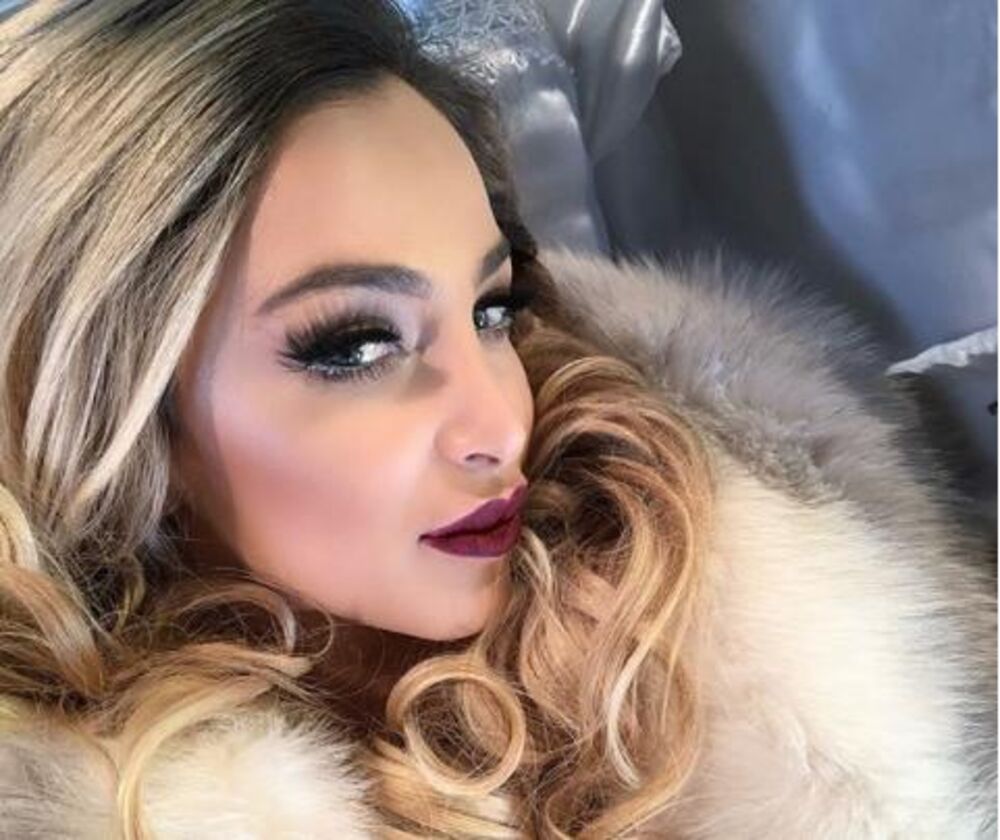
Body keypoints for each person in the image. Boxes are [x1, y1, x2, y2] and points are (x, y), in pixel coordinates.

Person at [0, 1, 993, 838]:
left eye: (493, 310)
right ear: (99, 404)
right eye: (355, 345)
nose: (499, 423)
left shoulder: (696, 604)